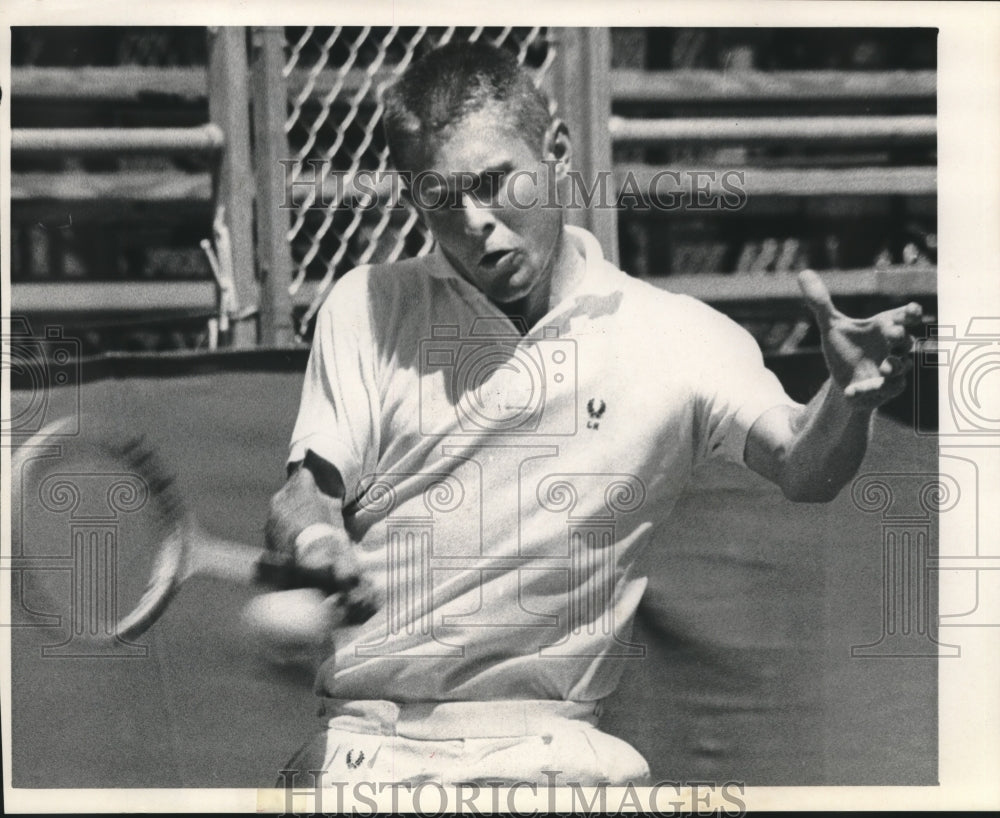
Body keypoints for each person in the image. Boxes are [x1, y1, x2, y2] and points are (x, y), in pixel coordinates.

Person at [252, 40, 922, 788]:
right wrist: (316, 537)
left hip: (557, 754)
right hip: (373, 749)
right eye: (442, 199)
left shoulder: (677, 337)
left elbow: (804, 464)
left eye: (496, 182)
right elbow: (304, 493)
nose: (475, 221)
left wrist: (847, 399)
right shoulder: (368, 304)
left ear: (558, 152)